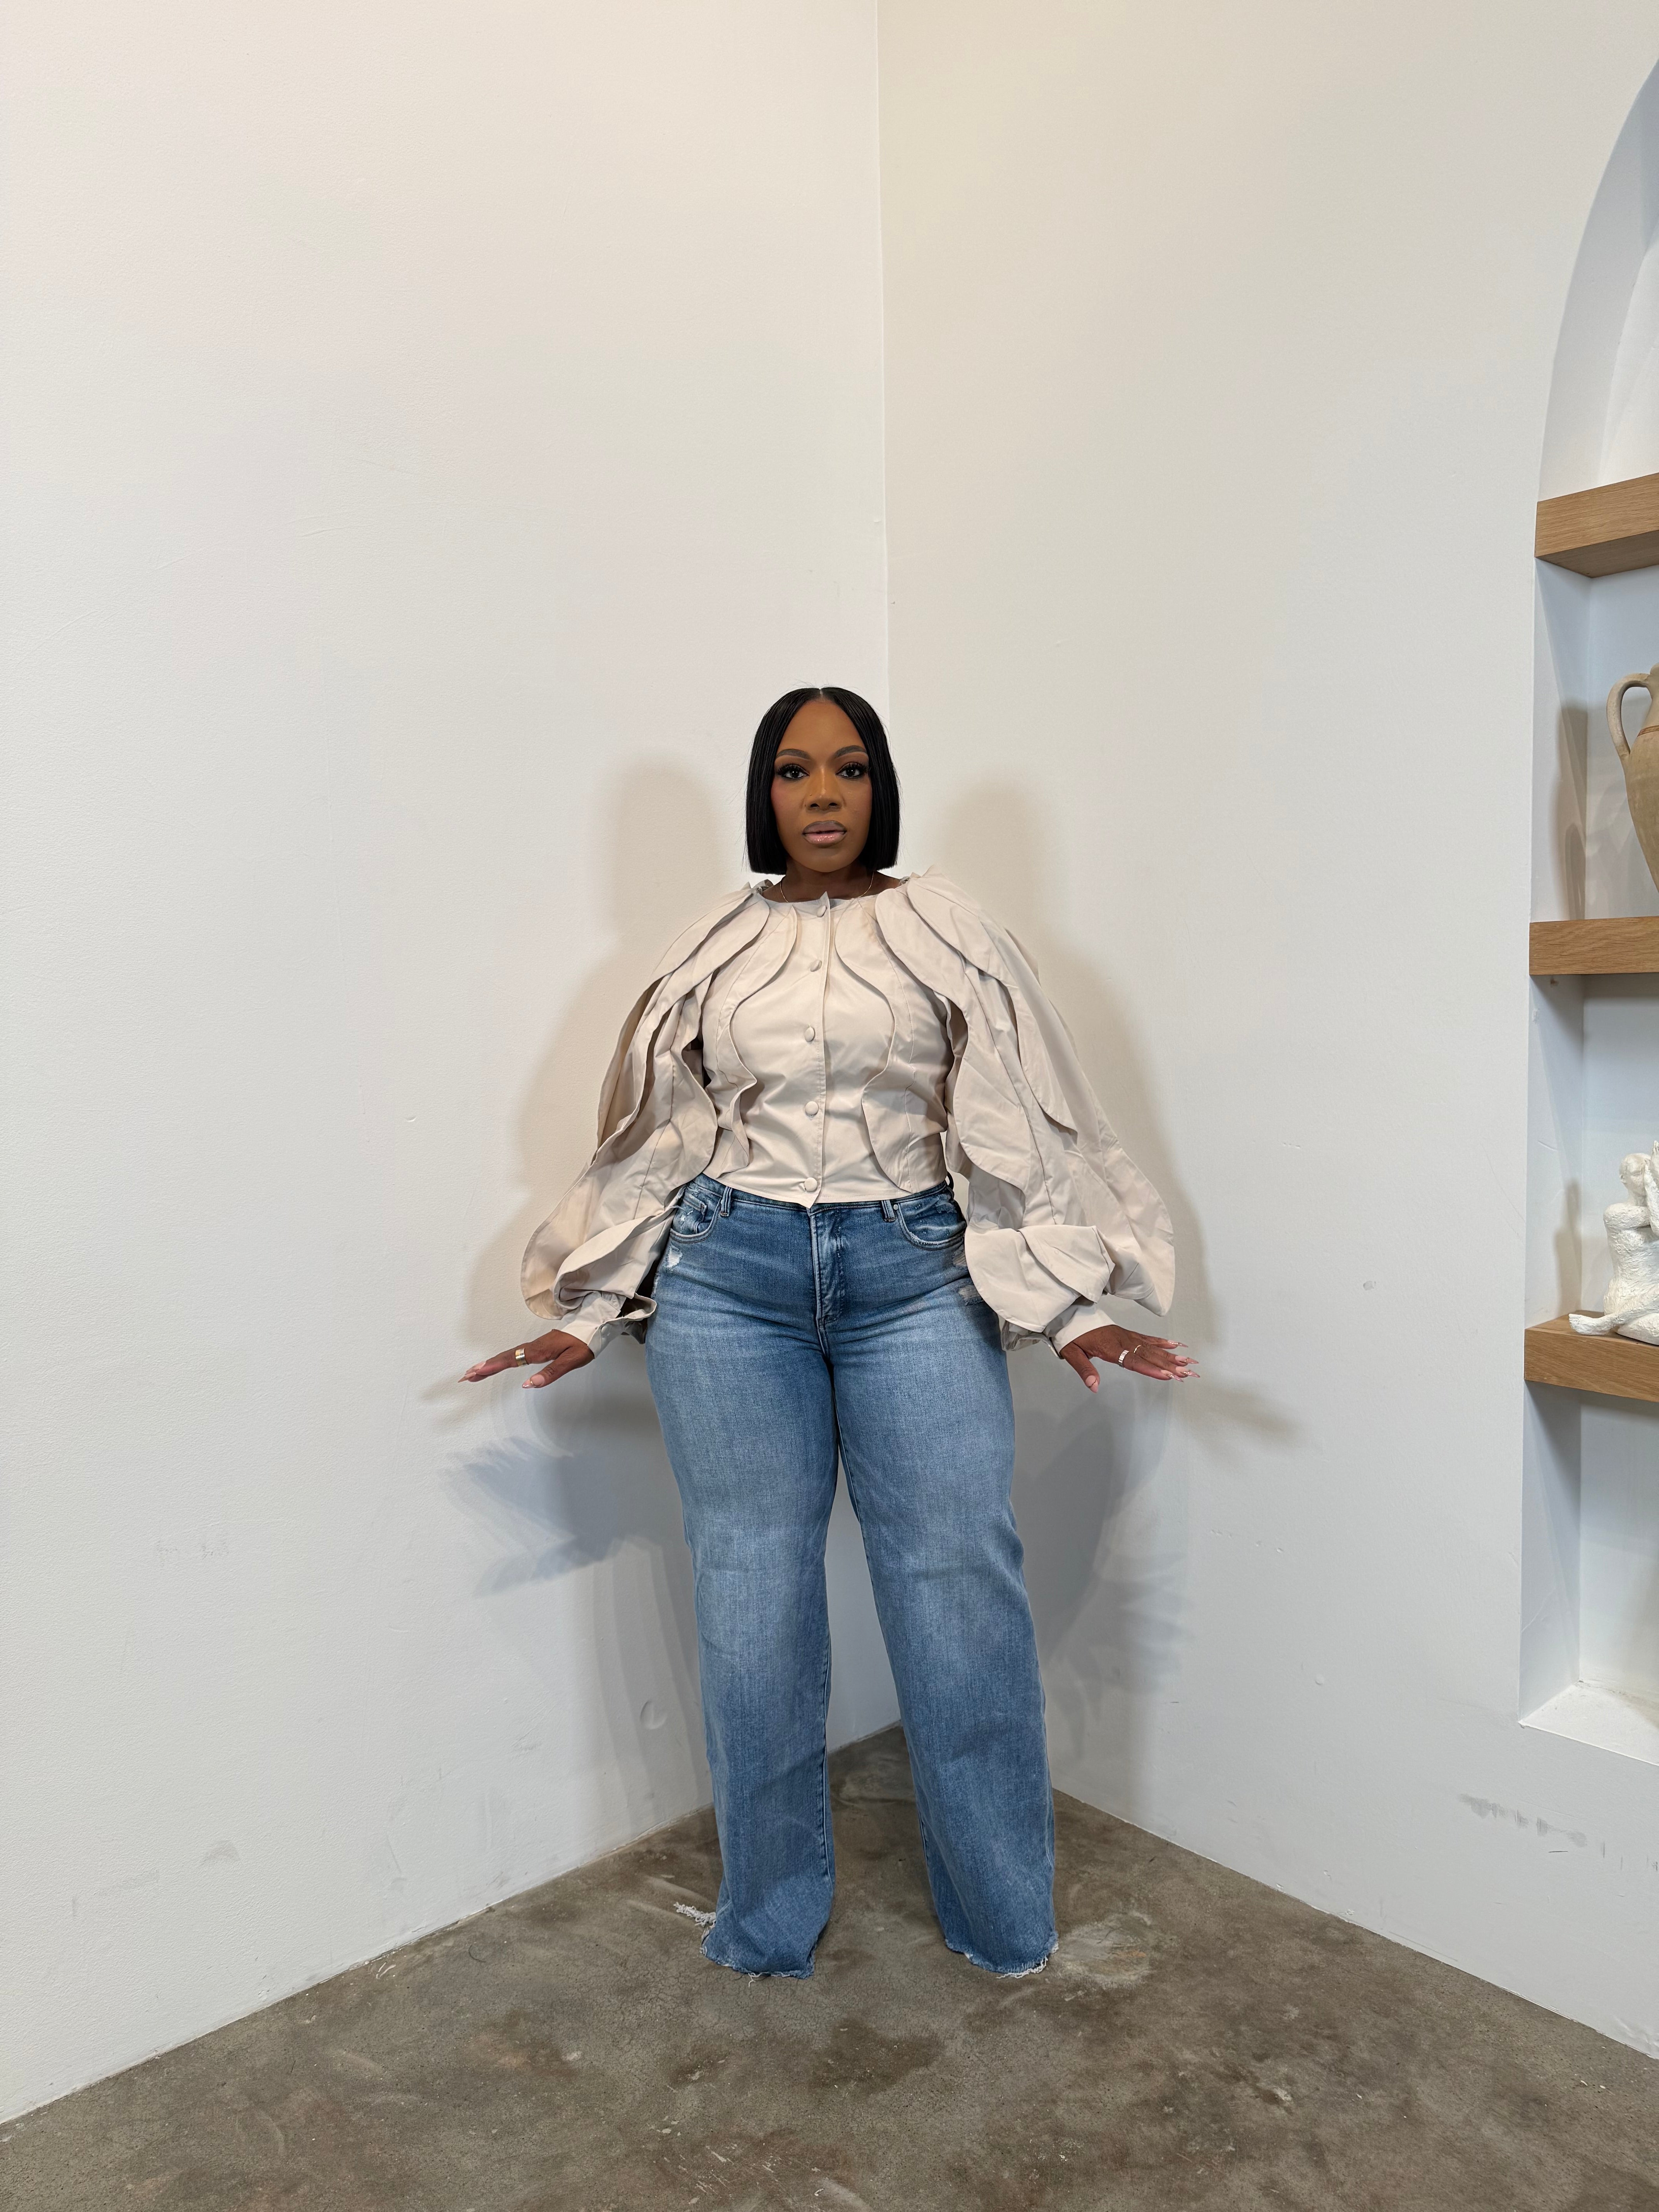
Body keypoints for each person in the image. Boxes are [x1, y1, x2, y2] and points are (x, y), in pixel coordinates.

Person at [464, 686, 1193, 1980]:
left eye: (848, 770)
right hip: (724, 1280)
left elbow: (1018, 1126)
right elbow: (661, 1134)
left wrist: (1072, 1304)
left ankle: (1002, 1922)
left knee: (956, 1585)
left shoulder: (950, 930)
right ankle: (766, 1919)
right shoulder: (712, 944)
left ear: (878, 787)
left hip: (914, 1273)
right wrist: (593, 1302)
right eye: (794, 771)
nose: (820, 795)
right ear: (764, 792)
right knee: (751, 1602)